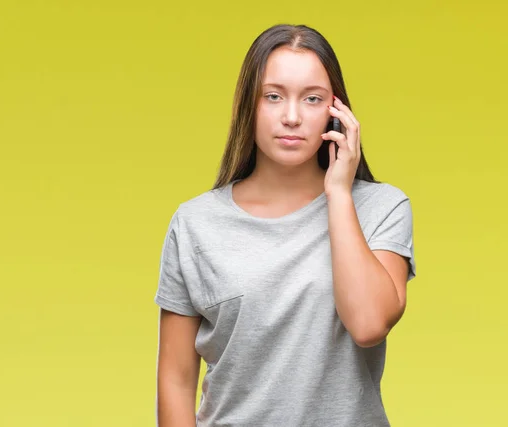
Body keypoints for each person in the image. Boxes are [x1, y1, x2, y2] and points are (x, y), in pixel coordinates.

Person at [154, 23, 416, 427]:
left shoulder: (381, 207)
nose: (291, 117)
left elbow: (368, 325)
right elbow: (175, 380)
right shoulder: (195, 224)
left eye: (312, 99)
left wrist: (340, 195)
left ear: (337, 110)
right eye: (273, 96)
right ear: (249, 105)